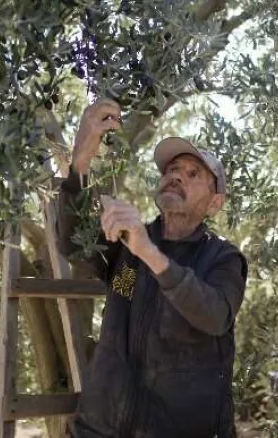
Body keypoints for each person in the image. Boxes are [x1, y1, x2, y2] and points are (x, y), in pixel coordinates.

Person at [56, 99, 248, 437]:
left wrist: (149, 253)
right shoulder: (127, 247)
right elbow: (72, 242)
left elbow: (215, 315)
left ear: (215, 203)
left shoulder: (223, 258)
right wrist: (80, 164)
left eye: (192, 174)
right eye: (172, 169)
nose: (175, 176)